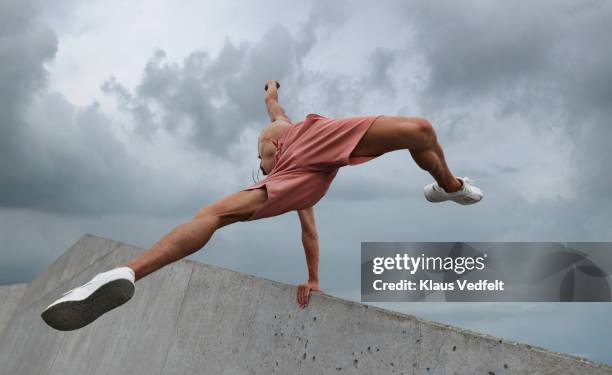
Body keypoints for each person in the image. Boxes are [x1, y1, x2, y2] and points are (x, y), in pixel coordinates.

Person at [41, 80, 483, 331]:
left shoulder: (281, 126)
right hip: (309, 168)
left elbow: (274, 104)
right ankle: (124, 273)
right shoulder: (285, 173)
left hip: (314, 143)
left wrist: (270, 90)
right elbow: (308, 229)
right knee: (212, 214)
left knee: (420, 131)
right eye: (261, 159)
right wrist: (312, 279)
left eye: (262, 156)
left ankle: (448, 185)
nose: (261, 160)